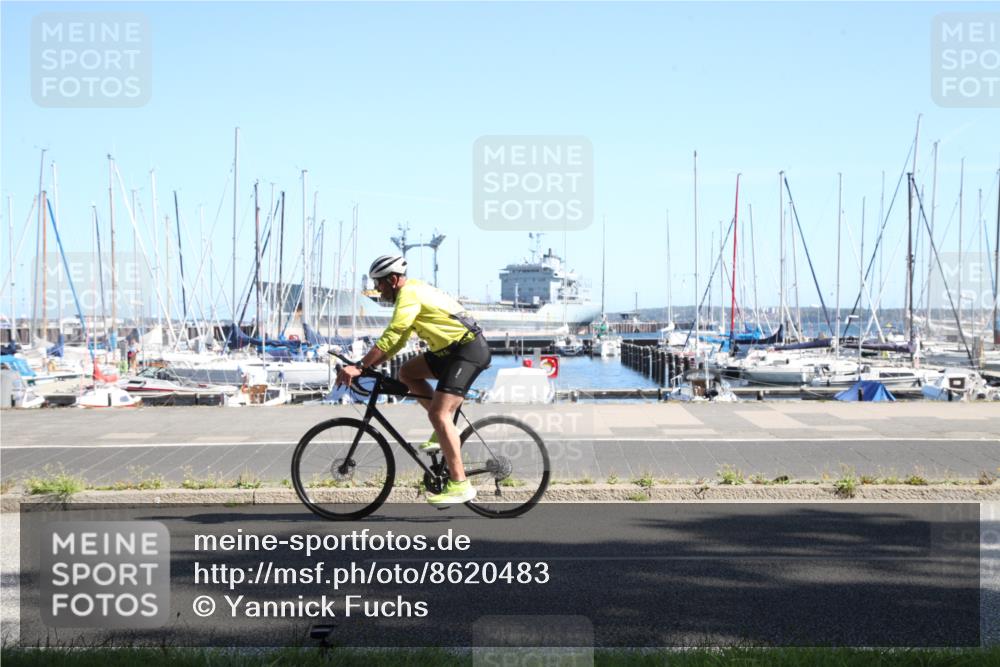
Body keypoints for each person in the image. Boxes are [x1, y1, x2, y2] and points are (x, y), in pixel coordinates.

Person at [335, 255, 491, 506]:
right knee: (407, 373)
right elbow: (397, 341)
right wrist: (366, 366)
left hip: (467, 351)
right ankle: (446, 430)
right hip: (448, 353)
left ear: (393, 280)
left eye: (379, 284)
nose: (377, 289)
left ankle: (460, 484)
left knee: (439, 415)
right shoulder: (410, 295)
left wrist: (361, 366)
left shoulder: (410, 295)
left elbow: (393, 333)